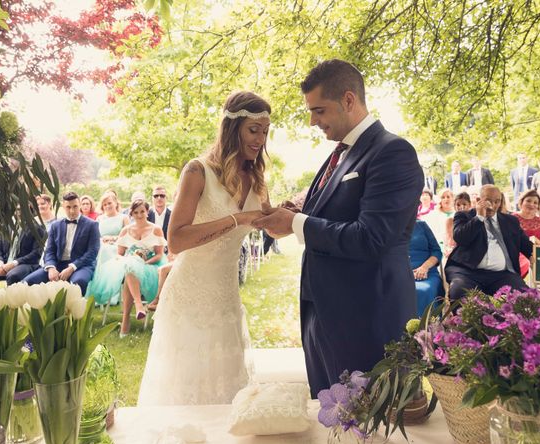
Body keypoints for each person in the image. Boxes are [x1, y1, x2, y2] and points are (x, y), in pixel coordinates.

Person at [252, 59, 423, 398]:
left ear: (348, 100)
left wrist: (297, 223)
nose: (313, 121)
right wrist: (292, 213)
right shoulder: (341, 154)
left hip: (367, 318)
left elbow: (372, 237)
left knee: (376, 433)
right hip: (325, 314)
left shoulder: (392, 152)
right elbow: (330, 214)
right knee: (333, 425)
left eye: (319, 111)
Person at [138, 91, 269, 405]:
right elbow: (177, 240)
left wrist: (290, 215)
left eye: (265, 132)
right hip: (190, 299)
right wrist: (237, 219)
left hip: (227, 300)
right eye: (254, 130)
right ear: (231, 128)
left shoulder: (256, 177)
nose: (260, 140)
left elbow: (264, 222)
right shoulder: (198, 171)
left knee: (225, 392)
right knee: (187, 394)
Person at [88, 199, 166, 335]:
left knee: (131, 270)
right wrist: (133, 260)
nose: (140, 215)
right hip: (128, 265)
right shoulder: (125, 231)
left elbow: (159, 255)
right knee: (130, 267)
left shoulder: (156, 229)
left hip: (151, 265)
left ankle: (126, 320)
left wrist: (144, 263)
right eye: (136, 212)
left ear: (147, 212)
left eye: (142, 211)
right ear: (132, 214)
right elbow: (120, 254)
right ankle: (138, 306)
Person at [444, 185, 533, 302]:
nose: (493, 205)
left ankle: (504, 320)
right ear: (478, 201)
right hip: (467, 273)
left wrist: (535, 255)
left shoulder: (511, 221)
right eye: (488, 201)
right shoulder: (464, 216)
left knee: (523, 297)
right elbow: (460, 238)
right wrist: (479, 217)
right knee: (459, 293)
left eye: (497, 201)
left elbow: (527, 246)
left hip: (502, 274)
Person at [23, 191, 101, 295]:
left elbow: (92, 252)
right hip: (57, 265)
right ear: (63, 207)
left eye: (75, 207)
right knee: (28, 282)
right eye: (68, 207)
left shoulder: (92, 225)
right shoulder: (55, 226)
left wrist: (72, 267)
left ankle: (72, 310)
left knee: (78, 282)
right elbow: (49, 250)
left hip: (81, 265)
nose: (72, 211)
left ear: (80, 206)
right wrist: (51, 268)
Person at [0, 213, 46, 293]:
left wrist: (14, 263)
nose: (17, 212)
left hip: (26, 264)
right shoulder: (6, 226)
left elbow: (35, 254)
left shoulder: (38, 228)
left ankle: (11, 304)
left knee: (13, 275)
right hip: (3, 264)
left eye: (20, 209)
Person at [409, 220, 444, 317]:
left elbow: (436, 251)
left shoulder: (421, 224)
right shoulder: (389, 225)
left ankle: (430, 329)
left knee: (425, 290)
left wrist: (424, 267)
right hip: (401, 271)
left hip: (428, 270)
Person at [512, 189, 540, 277]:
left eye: (535, 202)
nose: (532, 204)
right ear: (521, 202)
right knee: (526, 262)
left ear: (538, 206)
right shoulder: (512, 218)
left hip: (534, 253)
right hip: (515, 252)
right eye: (528, 201)